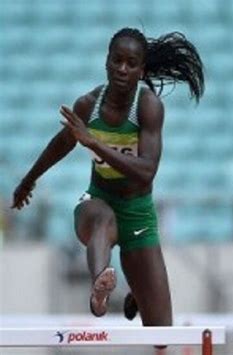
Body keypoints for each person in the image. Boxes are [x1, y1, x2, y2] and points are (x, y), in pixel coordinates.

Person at [11, 27, 204, 339]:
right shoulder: (88, 105)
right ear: (107, 61)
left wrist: (95, 143)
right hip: (98, 199)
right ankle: (100, 287)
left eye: (131, 63)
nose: (122, 69)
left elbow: (146, 171)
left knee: (162, 334)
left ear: (141, 70)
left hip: (138, 212)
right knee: (102, 217)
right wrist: (28, 181)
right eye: (116, 61)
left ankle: (138, 294)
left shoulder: (148, 107)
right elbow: (62, 143)